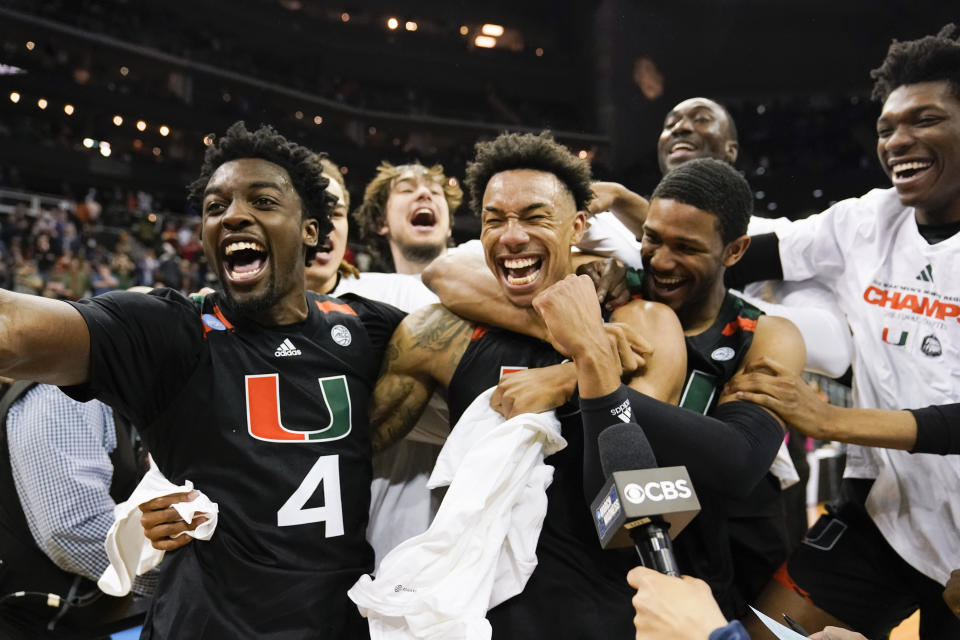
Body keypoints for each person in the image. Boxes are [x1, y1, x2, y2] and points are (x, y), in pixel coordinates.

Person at [0, 121, 406, 639]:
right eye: (215, 207)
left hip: (340, 623)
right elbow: (13, 328)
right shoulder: (172, 330)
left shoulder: (366, 327)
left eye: (262, 201)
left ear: (310, 229)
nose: (234, 215)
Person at [425, 157, 806, 617]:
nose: (662, 261)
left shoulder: (765, 334)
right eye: (652, 239)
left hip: (723, 549)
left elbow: (739, 460)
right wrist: (570, 333)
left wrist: (577, 374)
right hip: (612, 553)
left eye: (686, 247)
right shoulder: (611, 285)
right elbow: (445, 273)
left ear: (735, 251)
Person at [371, 131, 687, 638]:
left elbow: (642, 494)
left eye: (535, 217)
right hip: (472, 615)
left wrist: (571, 373)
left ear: (577, 226)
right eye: (495, 220)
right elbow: (357, 443)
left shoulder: (645, 324)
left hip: (607, 611)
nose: (511, 236)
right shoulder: (443, 332)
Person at [725, 25, 960, 640]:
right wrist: (641, 249)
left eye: (925, 120)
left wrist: (830, 421)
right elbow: (738, 252)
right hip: (887, 519)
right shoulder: (867, 219)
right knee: (763, 634)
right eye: (886, 128)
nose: (898, 141)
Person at [0, 382, 150, 639]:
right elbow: (74, 530)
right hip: (35, 625)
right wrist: (180, 570)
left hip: (76, 622)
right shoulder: (60, 396)